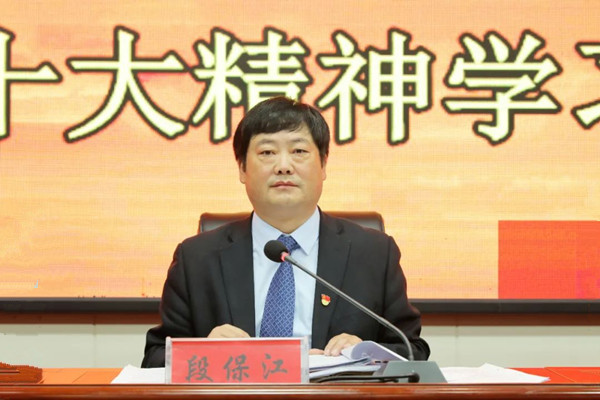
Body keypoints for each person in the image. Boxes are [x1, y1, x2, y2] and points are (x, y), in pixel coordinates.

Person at [142, 96, 430, 368]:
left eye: (299, 151)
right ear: (242, 168)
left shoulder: (373, 253)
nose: (283, 166)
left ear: (323, 165)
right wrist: (204, 351)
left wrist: (366, 352)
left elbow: (412, 351)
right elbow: (154, 358)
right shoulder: (197, 258)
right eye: (267, 152)